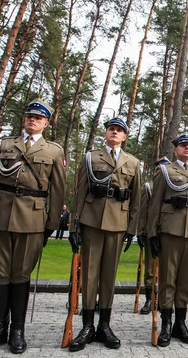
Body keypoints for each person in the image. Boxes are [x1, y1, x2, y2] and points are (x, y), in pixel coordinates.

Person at [0, 99, 66, 354]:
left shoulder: (54, 151)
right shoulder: (3, 145)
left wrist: (51, 224)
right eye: (29, 116)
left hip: (32, 219)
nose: (32, 120)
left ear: (46, 123)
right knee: (0, 274)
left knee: (21, 275)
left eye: (38, 117)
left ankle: (17, 330)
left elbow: (58, 191)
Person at [68, 118, 141, 352]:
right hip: (91, 219)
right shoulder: (91, 157)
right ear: (106, 132)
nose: (115, 132)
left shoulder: (133, 162)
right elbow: (79, 192)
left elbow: (136, 199)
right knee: (89, 275)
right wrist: (74, 225)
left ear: (124, 136)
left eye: (119, 130)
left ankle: (105, 326)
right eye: (112, 129)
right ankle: (87, 326)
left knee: (109, 276)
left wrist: (132, 229)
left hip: (118, 223)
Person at [146, 134, 188, 346]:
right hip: (170, 230)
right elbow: (155, 203)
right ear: (176, 150)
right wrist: (152, 233)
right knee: (168, 278)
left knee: (185, 280)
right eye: (183, 145)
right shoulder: (165, 170)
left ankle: (180, 324)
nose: (187, 148)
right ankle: (166, 323)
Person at [136, 156, 171, 315]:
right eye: (160, 167)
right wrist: (141, 231)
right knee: (150, 268)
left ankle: (165, 300)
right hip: (152, 232)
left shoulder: (173, 186)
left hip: (169, 231)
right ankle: (149, 299)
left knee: (168, 268)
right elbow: (143, 211)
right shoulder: (148, 187)